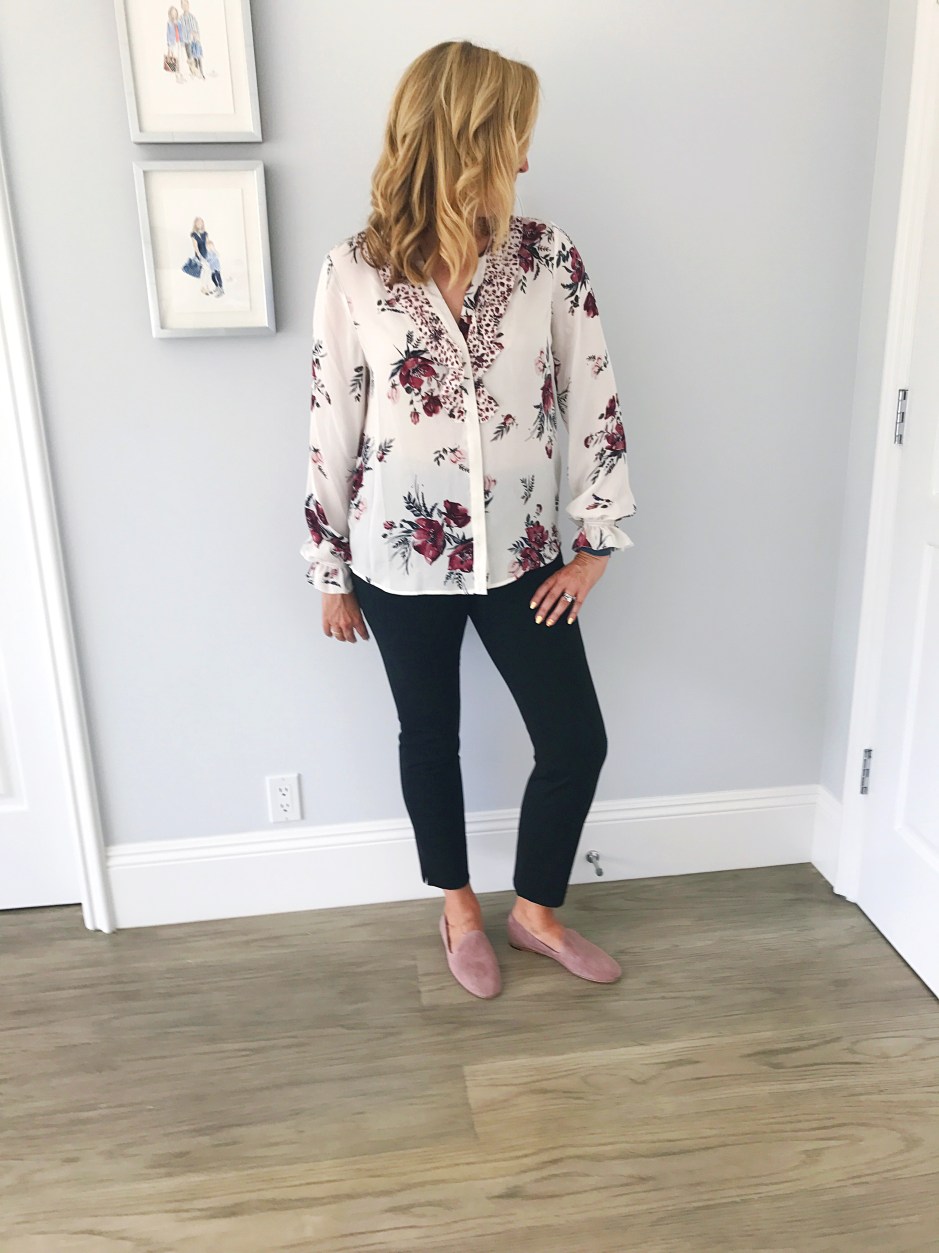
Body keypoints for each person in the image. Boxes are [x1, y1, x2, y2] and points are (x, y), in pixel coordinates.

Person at [301, 40, 638, 999]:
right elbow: (332, 423)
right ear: (469, 141)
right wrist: (328, 570)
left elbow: (593, 397)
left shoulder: (547, 259)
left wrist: (595, 545)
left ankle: (534, 913)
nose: (526, 156)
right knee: (429, 736)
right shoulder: (353, 270)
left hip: (525, 554)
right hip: (396, 559)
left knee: (574, 740)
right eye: (514, 136)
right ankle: (456, 908)